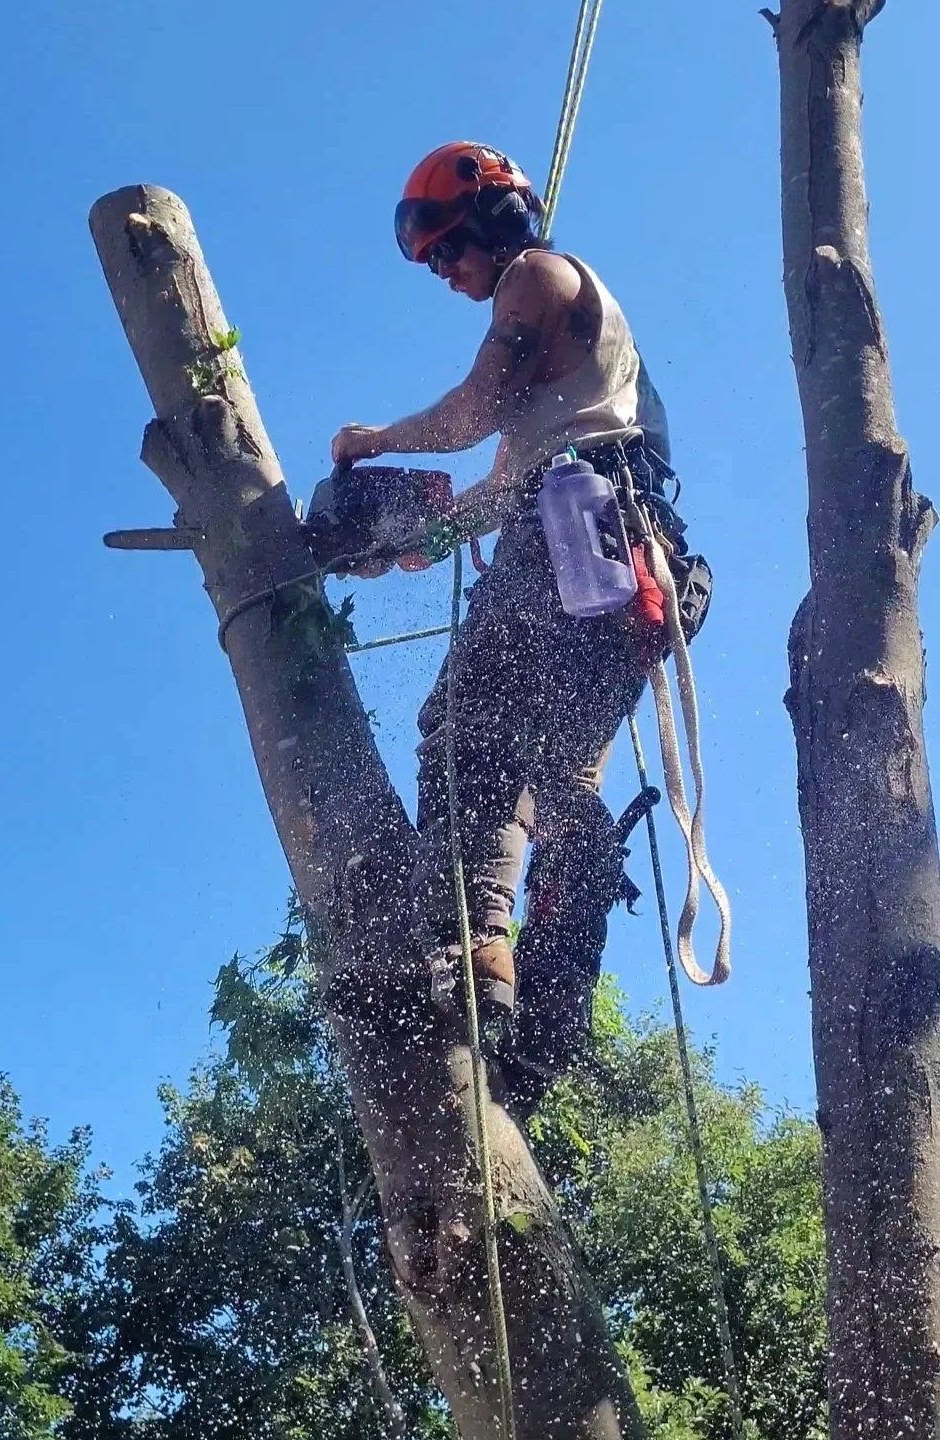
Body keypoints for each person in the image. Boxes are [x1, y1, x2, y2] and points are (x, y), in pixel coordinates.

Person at [331, 142, 694, 1110]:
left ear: (492, 222)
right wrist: (424, 539)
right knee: (563, 794)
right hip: (628, 569)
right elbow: (500, 484)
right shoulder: (584, 385)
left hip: (575, 535)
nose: (448, 279)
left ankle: (470, 939)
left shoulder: (537, 274)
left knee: (464, 733)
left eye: (448, 255)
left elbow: (470, 412)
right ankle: (542, 1030)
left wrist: (374, 440)